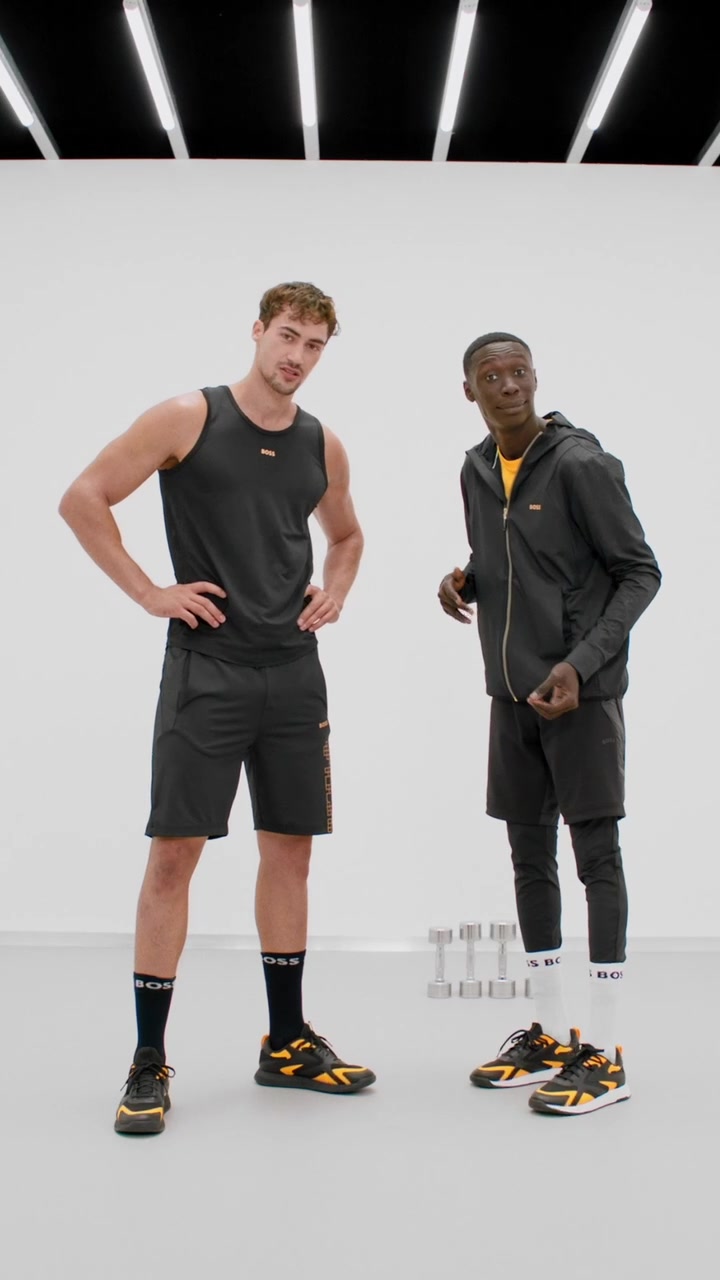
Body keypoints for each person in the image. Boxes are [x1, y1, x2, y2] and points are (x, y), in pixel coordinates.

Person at [59, 281, 376, 1134]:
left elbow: (347, 535)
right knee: (174, 857)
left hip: (294, 674)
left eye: (314, 345)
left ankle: (287, 1042)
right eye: (288, 335)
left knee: (291, 855)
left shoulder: (321, 443)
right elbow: (83, 497)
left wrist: (337, 589)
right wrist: (149, 593)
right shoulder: (187, 417)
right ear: (258, 331)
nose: (297, 357)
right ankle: (148, 1059)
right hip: (207, 670)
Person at [438, 332, 660, 1116]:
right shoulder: (475, 468)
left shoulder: (582, 465)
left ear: (536, 378)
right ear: (469, 391)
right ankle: (551, 1034)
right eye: (491, 376)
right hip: (510, 697)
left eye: (519, 371)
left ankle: (606, 1053)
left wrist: (581, 664)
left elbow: (640, 572)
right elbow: (511, 554)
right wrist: (466, 579)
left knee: (596, 858)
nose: (509, 385)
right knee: (528, 857)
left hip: (579, 696)